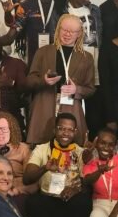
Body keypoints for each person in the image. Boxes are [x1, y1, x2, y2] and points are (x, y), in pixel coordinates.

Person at [22, 113, 92, 217]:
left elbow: (89, 184)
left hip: (71, 204)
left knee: (84, 201)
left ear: (75, 132)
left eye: (70, 129)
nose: (65, 133)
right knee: (32, 203)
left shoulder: (81, 152)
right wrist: (45, 168)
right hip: (49, 203)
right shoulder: (41, 149)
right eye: (61, 128)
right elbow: (27, 178)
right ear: (54, 130)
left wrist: (75, 190)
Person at [25, 14, 96, 145]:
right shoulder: (43, 51)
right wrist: (43, 81)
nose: (68, 34)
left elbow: (91, 89)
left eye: (73, 31)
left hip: (71, 106)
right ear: (58, 29)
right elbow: (29, 81)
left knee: (71, 147)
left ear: (79, 33)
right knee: (41, 146)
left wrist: (77, 90)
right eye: (65, 30)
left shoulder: (87, 57)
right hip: (44, 104)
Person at [55, 0, 104, 134]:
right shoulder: (62, 12)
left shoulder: (95, 10)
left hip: (94, 67)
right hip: (73, 68)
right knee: (71, 113)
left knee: (95, 115)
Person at [0, 0, 44, 65]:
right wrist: (7, 13)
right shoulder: (21, 14)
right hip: (31, 58)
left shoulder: (40, 10)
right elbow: (12, 23)